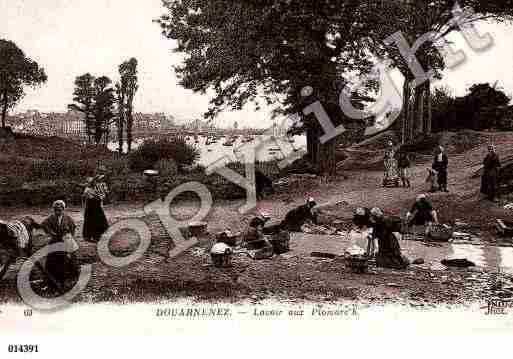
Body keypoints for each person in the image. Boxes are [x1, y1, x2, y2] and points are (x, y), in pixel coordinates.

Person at [41, 200, 79, 289]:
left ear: (63, 209)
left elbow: (73, 227)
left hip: (66, 239)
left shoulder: (67, 218)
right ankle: (51, 277)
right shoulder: (51, 218)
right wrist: (51, 233)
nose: (58, 212)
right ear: (54, 210)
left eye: (60, 210)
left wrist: (69, 237)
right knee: (52, 258)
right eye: (56, 210)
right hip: (55, 240)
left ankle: (71, 276)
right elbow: (44, 224)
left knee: (70, 257)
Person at [82, 176, 109, 243]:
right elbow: (86, 197)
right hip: (91, 207)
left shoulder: (98, 188)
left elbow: (102, 197)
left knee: (99, 221)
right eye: (92, 182)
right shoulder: (88, 189)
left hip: (97, 207)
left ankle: (96, 236)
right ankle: (90, 236)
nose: (94, 183)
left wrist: (101, 196)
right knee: (91, 221)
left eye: (94, 182)